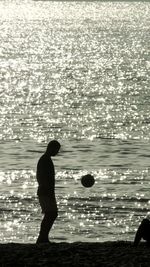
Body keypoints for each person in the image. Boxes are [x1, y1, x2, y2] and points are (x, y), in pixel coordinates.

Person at [36, 140, 61, 244]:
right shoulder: (45, 160)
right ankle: (42, 238)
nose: (57, 152)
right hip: (45, 191)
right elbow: (42, 177)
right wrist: (48, 191)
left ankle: (43, 237)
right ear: (51, 148)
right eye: (56, 150)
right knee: (51, 214)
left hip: (46, 191)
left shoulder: (46, 159)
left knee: (51, 214)